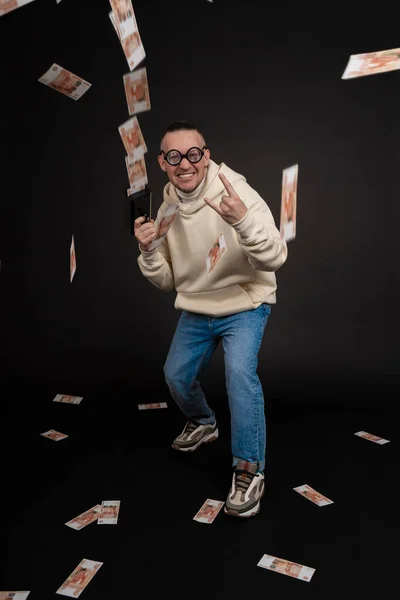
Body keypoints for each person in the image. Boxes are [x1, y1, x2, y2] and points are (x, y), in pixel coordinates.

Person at [134, 121, 288, 518]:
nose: (185, 164)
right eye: (174, 156)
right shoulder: (165, 208)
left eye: (193, 154)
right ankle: (203, 421)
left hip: (245, 304)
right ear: (162, 163)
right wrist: (150, 252)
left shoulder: (237, 191)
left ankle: (249, 469)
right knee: (176, 375)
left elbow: (275, 257)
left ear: (206, 155)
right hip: (198, 307)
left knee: (239, 374)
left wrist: (241, 222)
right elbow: (168, 282)